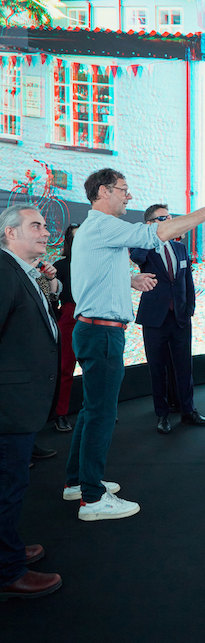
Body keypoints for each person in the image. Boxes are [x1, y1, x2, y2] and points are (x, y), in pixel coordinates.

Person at [65, 168, 205, 521]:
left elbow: (92, 272)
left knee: (92, 410)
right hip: (101, 333)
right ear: (103, 191)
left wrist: (129, 279)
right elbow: (156, 233)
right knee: (101, 414)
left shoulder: (94, 229)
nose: (128, 196)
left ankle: (78, 482)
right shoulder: (104, 224)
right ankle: (92, 498)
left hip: (94, 330)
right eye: (123, 190)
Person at [0, 204, 62, 600]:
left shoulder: (22, 273)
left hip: (18, 403)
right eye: (36, 226)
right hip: (8, 406)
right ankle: (7, 570)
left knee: (11, 484)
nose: (45, 231)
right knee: (8, 487)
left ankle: (7, 549)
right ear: (11, 234)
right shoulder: (4, 272)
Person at [130, 204, 205, 435]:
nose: (170, 221)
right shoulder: (143, 247)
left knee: (184, 365)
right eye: (163, 218)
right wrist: (151, 238)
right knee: (157, 368)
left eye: (170, 217)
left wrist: (190, 308)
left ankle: (188, 411)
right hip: (155, 318)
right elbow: (136, 258)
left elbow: (187, 281)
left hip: (181, 317)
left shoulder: (179, 248)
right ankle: (162, 414)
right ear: (150, 224)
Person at [53, 224, 80, 432]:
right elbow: (50, 295)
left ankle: (95, 409)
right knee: (65, 369)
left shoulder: (96, 262)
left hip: (93, 315)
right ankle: (60, 414)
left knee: (95, 367)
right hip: (69, 316)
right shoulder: (60, 266)